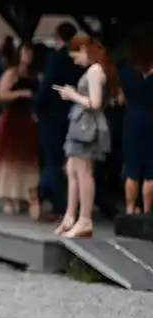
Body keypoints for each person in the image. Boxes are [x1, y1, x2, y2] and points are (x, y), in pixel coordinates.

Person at [55, 35, 116, 239]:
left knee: (83, 171)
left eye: (76, 56)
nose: (75, 61)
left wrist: (74, 96)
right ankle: (71, 216)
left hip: (88, 126)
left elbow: (95, 102)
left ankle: (85, 218)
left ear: (84, 49)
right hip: (82, 124)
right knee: (73, 168)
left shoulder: (95, 70)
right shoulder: (96, 69)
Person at [0, 43, 40, 219]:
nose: (28, 56)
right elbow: (2, 94)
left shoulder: (34, 75)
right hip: (13, 118)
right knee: (9, 156)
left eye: (30, 52)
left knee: (26, 157)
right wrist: (21, 94)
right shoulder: (11, 73)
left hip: (27, 118)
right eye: (25, 52)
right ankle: (9, 197)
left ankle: (24, 194)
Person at [34, 22, 79, 221]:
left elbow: (49, 83)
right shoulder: (77, 59)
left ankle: (42, 192)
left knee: (51, 157)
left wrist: (36, 106)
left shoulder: (55, 57)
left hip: (51, 112)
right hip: (71, 112)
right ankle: (55, 199)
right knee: (64, 158)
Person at [118, 29, 153, 215]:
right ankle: (147, 213)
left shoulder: (125, 71)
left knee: (131, 169)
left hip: (132, 122)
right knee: (151, 172)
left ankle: (130, 209)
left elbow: (121, 99)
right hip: (151, 121)